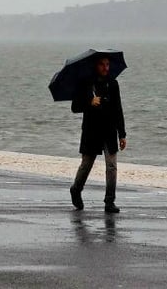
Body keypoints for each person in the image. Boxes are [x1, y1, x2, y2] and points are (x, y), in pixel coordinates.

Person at [69, 54, 127, 213]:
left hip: (109, 131)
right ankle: (76, 189)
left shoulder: (113, 84)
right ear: (95, 65)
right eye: (102, 64)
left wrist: (122, 134)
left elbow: (118, 109)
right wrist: (89, 101)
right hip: (91, 131)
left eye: (107, 64)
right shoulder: (86, 83)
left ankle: (109, 201)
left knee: (112, 166)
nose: (105, 68)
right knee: (86, 165)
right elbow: (75, 107)